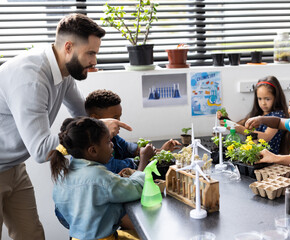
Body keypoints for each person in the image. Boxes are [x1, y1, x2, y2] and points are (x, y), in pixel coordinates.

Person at [0, 14, 129, 239]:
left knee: (31, 235)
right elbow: (41, 150)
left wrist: (106, 123)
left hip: (14, 166)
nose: (94, 61)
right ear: (68, 47)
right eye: (90, 53)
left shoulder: (63, 71)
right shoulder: (31, 79)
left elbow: (84, 115)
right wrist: (101, 127)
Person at [48, 117, 145, 239]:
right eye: (108, 142)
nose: (112, 145)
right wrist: (143, 162)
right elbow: (136, 188)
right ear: (93, 150)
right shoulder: (99, 176)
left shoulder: (63, 174)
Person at [84, 89, 182, 172]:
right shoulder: (93, 150)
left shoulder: (116, 139)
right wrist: (145, 158)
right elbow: (117, 167)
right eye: (114, 118)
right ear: (96, 119)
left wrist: (161, 151)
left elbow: (134, 150)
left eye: (119, 117)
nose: (119, 122)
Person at [217, 76, 290, 154]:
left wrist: (242, 130)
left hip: (269, 157)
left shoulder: (277, 116)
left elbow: (266, 136)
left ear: (276, 98)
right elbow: (236, 126)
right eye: (260, 99)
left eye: (267, 99)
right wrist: (226, 120)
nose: (263, 103)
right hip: (253, 154)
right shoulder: (257, 113)